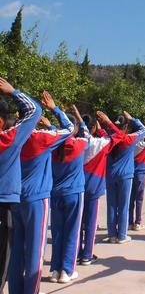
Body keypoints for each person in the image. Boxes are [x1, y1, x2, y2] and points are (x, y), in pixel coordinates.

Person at [8, 91, 73, 294]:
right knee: (35, 252)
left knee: (16, 251)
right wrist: (54, 109)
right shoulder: (41, 138)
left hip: (15, 198)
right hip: (37, 199)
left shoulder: (12, 137)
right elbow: (69, 129)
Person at [0, 77, 41, 292]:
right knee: (6, 259)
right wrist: (13, 91)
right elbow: (35, 110)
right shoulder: (9, 139)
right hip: (6, 204)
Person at [72, 107, 125, 266]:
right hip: (94, 188)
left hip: (77, 187)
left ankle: (76, 253)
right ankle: (87, 255)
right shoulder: (100, 144)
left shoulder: (76, 143)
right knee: (90, 223)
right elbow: (120, 136)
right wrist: (107, 122)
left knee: (78, 223)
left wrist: (77, 116)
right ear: (94, 127)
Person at [49, 108, 89, 284]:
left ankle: (55, 270)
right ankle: (67, 270)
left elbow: (56, 132)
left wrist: (52, 124)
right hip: (73, 193)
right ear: (73, 128)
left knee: (57, 233)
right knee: (72, 232)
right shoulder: (79, 143)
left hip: (55, 193)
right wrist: (78, 118)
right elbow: (86, 131)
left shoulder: (52, 146)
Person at [105, 112, 145, 244]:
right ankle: (122, 235)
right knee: (124, 206)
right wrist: (132, 119)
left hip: (110, 175)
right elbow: (143, 129)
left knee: (111, 205)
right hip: (125, 176)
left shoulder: (108, 139)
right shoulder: (130, 139)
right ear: (125, 126)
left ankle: (111, 234)